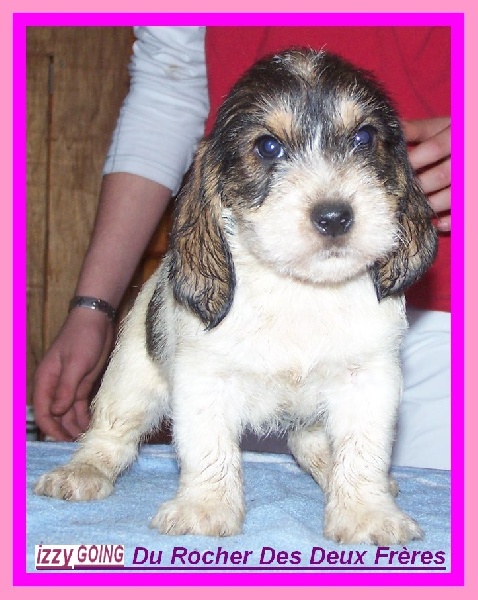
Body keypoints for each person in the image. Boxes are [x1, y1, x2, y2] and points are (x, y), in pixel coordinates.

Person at [32, 26, 451, 469]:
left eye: (362, 139)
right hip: (240, 303)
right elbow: (169, 86)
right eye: (268, 147)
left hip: (437, 313)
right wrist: (94, 305)